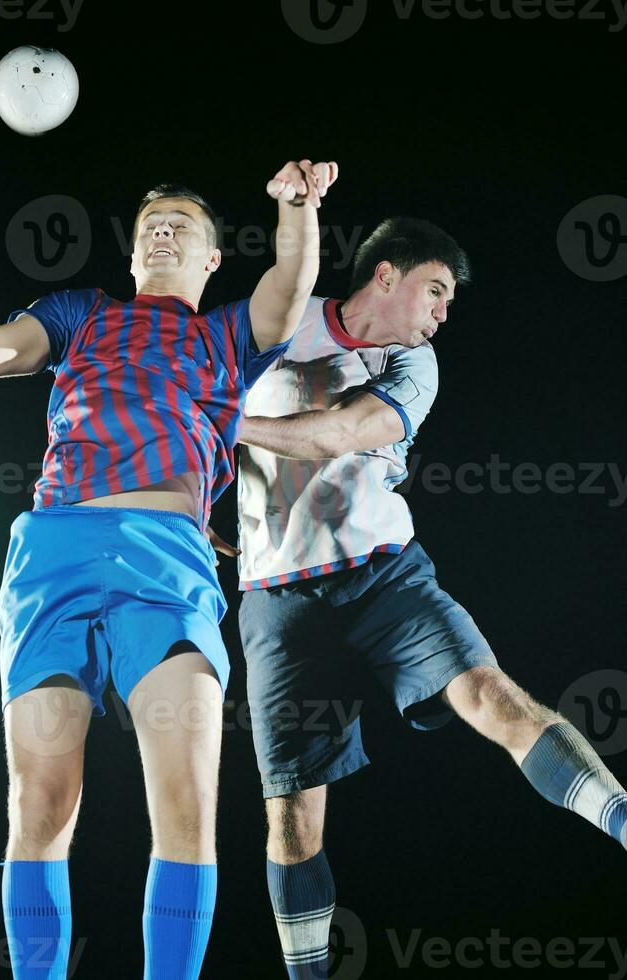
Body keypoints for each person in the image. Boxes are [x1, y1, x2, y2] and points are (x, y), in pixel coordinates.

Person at [0, 158, 339, 980]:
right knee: (38, 805)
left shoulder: (227, 333)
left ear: (213, 259)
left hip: (165, 565)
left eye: (182, 222)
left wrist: (297, 207)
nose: (163, 229)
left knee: (186, 807)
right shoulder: (80, 314)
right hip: (52, 557)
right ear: (134, 251)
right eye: (151, 224)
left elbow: (291, 279)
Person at [233, 216, 627, 979]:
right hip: (279, 603)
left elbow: (341, 433)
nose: (442, 313)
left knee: (490, 694)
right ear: (386, 274)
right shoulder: (277, 327)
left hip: (386, 578)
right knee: (291, 817)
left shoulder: (415, 362)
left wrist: (227, 422)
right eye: (436, 291)